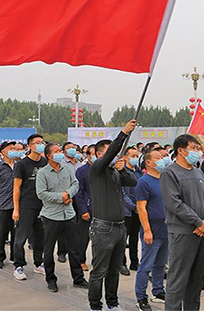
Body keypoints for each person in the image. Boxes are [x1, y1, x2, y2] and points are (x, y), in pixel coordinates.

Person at [160, 133, 204, 311]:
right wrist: (198, 222)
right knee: (178, 280)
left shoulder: (198, 172)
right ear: (181, 151)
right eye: (194, 148)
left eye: (198, 148)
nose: (198, 152)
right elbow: (174, 203)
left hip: (202, 232)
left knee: (196, 279)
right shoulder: (170, 172)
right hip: (182, 233)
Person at [88, 119, 138, 311]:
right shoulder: (96, 169)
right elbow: (111, 153)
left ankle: (112, 303)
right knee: (99, 270)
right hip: (103, 227)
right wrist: (123, 133)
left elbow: (132, 181)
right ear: (99, 155)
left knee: (114, 270)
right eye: (109, 153)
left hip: (119, 226)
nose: (114, 156)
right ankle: (95, 305)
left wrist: (122, 169)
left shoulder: (115, 172)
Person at [35, 143, 87, 292]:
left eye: (60, 150)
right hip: (51, 216)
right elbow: (41, 193)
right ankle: (51, 279)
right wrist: (61, 197)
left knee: (74, 249)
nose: (60, 153)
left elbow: (75, 184)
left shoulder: (67, 169)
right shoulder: (43, 173)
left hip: (69, 214)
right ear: (49, 156)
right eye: (56, 151)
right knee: (49, 249)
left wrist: (68, 194)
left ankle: (78, 278)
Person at [134, 149, 169, 311]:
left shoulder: (165, 179)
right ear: (148, 162)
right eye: (158, 157)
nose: (162, 159)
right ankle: (141, 297)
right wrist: (147, 230)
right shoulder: (144, 182)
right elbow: (141, 208)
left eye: (162, 157)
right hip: (152, 230)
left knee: (160, 264)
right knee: (146, 265)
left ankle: (158, 291)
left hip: (166, 228)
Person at [12, 134, 48, 280]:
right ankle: (18, 266)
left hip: (42, 205)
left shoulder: (45, 162)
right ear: (30, 146)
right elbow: (16, 188)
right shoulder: (22, 164)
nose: (40, 145)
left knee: (40, 236)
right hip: (26, 205)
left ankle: (39, 263)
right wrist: (16, 209)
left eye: (42, 142)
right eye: (37, 143)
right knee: (21, 237)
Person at [0, 141, 17, 268]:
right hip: (2, 204)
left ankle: (14, 256)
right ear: (3, 152)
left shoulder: (19, 166)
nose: (13, 151)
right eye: (11, 148)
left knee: (16, 233)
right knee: (1, 233)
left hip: (16, 205)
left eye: (14, 148)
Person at [122, 146, 143, 274]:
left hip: (139, 210)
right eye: (132, 156)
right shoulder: (122, 172)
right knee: (123, 239)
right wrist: (134, 207)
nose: (135, 158)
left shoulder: (139, 172)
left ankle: (134, 262)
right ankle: (122, 263)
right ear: (125, 157)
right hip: (127, 211)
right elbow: (122, 194)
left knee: (135, 237)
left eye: (136, 156)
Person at [74, 142, 94, 272]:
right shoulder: (82, 171)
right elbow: (79, 192)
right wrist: (83, 210)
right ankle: (80, 260)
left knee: (99, 238)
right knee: (82, 237)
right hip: (87, 209)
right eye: (93, 154)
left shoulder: (104, 170)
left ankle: (97, 260)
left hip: (101, 209)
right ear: (88, 156)